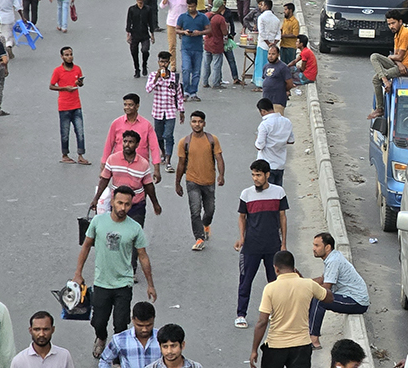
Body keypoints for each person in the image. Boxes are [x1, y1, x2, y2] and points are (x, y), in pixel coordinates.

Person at [74, 185, 157, 358]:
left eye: (127, 204)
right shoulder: (98, 222)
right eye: (119, 203)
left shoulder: (135, 228)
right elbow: (86, 246)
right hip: (102, 282)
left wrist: (150, 284)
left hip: (123, 283)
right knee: (98, 321)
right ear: (112, 201)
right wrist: (78, 273)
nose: (122, 208)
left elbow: (143, 256)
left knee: (120, 324)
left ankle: (117, 359)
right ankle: (101, 337)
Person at [236, 159, 289, 329]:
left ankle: (277, 314)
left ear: (267, 175)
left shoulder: (279, 192)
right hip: (251, 246)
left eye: (258, 175)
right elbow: (242, 217)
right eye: (253, 175)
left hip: (273, 247)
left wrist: (283, 244)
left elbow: (283, 218)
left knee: (275, 283)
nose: (255, 179)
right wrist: (242, 238)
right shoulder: (246, 194)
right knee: (245, 281)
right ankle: (241, 314)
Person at [89, 127, 161, 229]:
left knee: (134, 234)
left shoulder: (143, 164)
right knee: (116, 234)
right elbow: (104, 180)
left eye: (131, 142)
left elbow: (148, 185)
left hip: (136, 205)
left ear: (137, 145)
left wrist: (155, 204)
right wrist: (96, 199)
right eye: (125, 141)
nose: (127, 144)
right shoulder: (113, 159)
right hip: (117, 204)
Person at [308, 233, 369, 350]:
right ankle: (309, 329)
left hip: (356, 301)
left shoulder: (333, 261)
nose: (313, 249)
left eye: (317, 245)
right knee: (313, 295)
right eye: (313, 245)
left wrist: (308, 290)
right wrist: (303, 284)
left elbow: (325, 289)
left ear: (327, 247)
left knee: (319, 299)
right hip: (350, 297)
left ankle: (314, 340)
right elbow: (322, 279)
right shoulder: (332, 257)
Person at [175, 110, 225, 252]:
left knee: (210, 210)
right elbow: (180, 164)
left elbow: (219, 158)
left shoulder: (212, 139)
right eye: (194, 122)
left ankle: (206, 225)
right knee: (195, 211)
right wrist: (177, 183)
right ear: (190, 123)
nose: (197, 124)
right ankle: (199, 238)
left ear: (204, 123)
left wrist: (221, 175)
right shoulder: (184, 142)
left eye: (200, 122)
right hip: (192, 181)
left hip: (209, 181)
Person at [367, 9, 408, 119]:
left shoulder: (405, 33)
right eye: (389, 24)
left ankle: (380, 108)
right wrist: (396, 61)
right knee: (374, 57)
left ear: (400, 22)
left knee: (376, 79)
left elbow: (398, 56)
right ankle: (386, 81)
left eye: (393, 23)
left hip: (407, 68)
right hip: (399, 65)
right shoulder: (396, 35)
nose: (391, 26)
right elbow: (397, 56)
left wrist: (392, 58)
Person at [102, 93, 163, 180]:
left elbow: (154, 147)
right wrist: (104, 165)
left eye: (130, 105)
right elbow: (109, 145)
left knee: (140, 192)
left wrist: (157, 169)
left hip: (140, 169)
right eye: (125, 105)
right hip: (119, 167)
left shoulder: (146, 125)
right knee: (119, 192)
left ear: (137, 106)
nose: (127, 107)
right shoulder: (116, 123)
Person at [255, 98, 295, 187]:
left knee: (266, 194)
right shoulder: (286, 122)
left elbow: (259, 146)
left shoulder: (264, 125)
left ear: (262, 111)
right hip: (280, 163)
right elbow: (291, 140)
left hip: (266, 164)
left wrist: (257, 138)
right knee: (277, 193)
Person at [176, 0, 209, 102]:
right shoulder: (182, 17)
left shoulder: (202, 17)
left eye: (192, 6)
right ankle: (185, 91)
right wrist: (184, 32)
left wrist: (200, 33)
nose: (190, 8)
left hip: (198, 47)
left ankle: (193, 92)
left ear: (196, 5)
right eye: (189, 6)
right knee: (186, 69)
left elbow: (209, 30)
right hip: (185, 47)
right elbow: (177, 29)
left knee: (196, 71)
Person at [254, 0, 281, 89]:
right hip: (273, 46)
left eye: (262, 5)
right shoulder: (276, 19)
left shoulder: (261, 18)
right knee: (271, 64)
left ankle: (260, 84)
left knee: (260, 64)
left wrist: (267, 43)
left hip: (263, 45)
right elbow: (278, 34)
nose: (260, 7)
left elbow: (262, 33)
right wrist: (273, 43)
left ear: (266, 6)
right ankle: (270, 81)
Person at [126, 0, 155, 77]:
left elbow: (151, 22)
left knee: (145, 50)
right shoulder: (131, 9)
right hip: (134, 34)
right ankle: (137, 69)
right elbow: (129, 22)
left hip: (145, 34)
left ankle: (144, 65)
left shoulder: (148, 9)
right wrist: (128, 34)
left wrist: (152, 34)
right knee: (134, 52)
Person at [202, 0, 229, 89]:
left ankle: (205, 82)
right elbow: (224, 32)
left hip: (207, 42)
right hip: (217, 43)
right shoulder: (220, 19)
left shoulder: (206, 15)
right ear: (221, 7)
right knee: (216, 64)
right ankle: (216, 83)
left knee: (206, 63)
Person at [261, 46, 295, 114]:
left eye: (273, 54)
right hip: (266, 101)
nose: (271, 56)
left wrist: (282, 90)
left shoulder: (283, 67)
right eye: (269, 54)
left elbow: (290, 84)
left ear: (278, 55)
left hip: (278, 101)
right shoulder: (266, 67)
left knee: (277, 122)